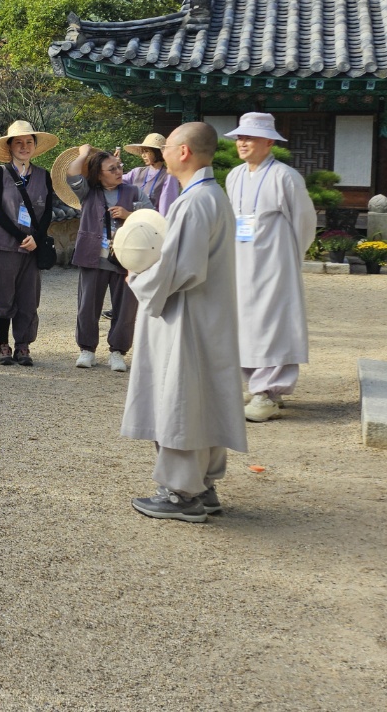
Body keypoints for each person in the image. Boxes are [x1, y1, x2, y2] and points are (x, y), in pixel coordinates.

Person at [124, 122, 247, 522]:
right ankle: (204, 484)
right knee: (201, 395)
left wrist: (139, 278)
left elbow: (179, 268)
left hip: (187, 315)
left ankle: (181, 493)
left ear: (184, 152)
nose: (162, 154)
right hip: (206, 313)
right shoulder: (212, 195)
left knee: (180, 396)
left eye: (168, 147)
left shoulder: (194, 202)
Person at [223, 113, 317, 422]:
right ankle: (256, 385)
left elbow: (304, 222)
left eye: (249, 137)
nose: (242, 143)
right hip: (240, 261)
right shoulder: (234, 175)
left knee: (273, 323)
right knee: (243, 322)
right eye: (240, 137)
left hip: (275, 263)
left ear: (269, 141)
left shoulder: (285, 176)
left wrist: (289, 257)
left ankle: (268, 393)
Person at [66, 145, 150, 372]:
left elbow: (152, 218)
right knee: (87, 306)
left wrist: (129, 214)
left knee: (125, 308)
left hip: (126, 258)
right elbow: (71, 173)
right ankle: (87, 350)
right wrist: (84, 154)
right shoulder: (88, 192)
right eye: (111, 169)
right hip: (93, 257)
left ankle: (117, 352)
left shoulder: (134, 192)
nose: (118, 171)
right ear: (98, 174)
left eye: (119, 167)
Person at [0, 120, 59, 366]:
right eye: (19, 142)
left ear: (35, 146)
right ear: (10, 146)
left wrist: (36, 239)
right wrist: (20, 237)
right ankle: (3, 345)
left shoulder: (43, 176)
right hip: (4, 245)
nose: (24, 147)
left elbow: (48, 211)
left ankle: (23, 346)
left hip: (33, 249)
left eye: (29, 142)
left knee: (28, 297)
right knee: (2, 295)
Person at [122, 133, 180, 216]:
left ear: (157, 153)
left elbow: (166, 207)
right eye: (142, 152)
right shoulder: (136, 172)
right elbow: (115, 182)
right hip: (133, 220)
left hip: (153, 222)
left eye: (146, 151)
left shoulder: (168, 176)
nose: (143, 155)